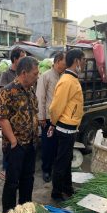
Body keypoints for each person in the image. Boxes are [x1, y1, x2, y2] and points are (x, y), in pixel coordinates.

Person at [0, 56, 39, 213]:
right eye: (35, 74)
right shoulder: (7, 91)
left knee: (28, 179)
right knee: (12, 182)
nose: (37, 76)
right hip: (16, 146)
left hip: (31, 143)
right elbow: (3, 118)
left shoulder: (30, 90)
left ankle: (24, 211)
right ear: (24, 73)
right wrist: (14, 142)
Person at [49, 49, 85, 202]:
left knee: (66, 160)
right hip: (65, 127)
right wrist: (52, 122)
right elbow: (55, 107)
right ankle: (56, 193)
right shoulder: (67, 80)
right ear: (77, 61)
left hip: (70, 126)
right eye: (83, 60)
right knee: (61, 162)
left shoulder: (72, 78)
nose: (84, 63)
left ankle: (67, 188)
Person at [36, 52, 66, 183]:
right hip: (48, 118)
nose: (66, 65)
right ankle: (46, 170)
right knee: (48, 145)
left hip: (62, 118)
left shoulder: (65, 76)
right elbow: (40, 97)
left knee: (58, 146)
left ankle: (55, 168)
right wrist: (41, 117)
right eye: (65, 62)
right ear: (58, 61)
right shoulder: (46, 76)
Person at [0, 47, 26, 180]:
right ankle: (5, 169)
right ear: (15, 59)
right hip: (9, 116)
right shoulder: (6, 74)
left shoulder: (24, 74)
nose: (24, 59)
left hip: (21, 117)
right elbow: (2, 94)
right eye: (22, 57)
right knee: (9, 143)